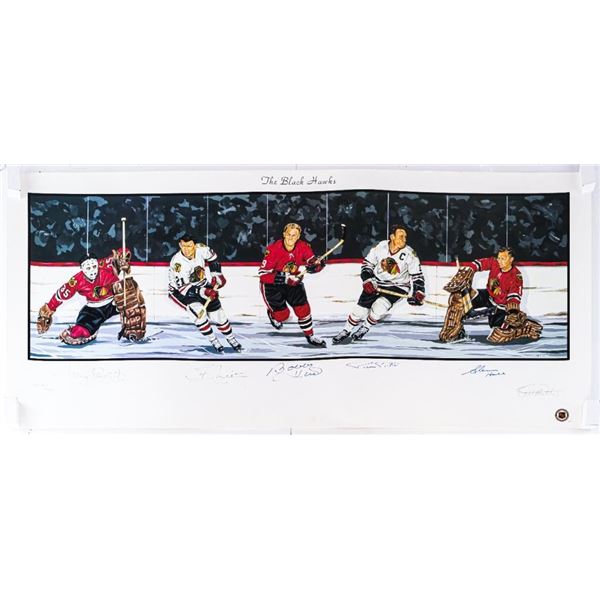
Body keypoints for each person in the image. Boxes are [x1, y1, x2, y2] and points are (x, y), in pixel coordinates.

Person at [332, 226, 425, 343]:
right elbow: (367, 265)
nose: (404, 240)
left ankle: (365, 327)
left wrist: (418, 292)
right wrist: (367, 280)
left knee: (379, 308)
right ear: (392, 237)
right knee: (360, 311)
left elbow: (417, 276)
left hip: (397, 287)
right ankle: (346, 330)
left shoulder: (410, 254)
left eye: (405, 237)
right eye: (401, 237)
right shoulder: (381, 246)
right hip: (376, 282)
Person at [36, 249, 146, 344]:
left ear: (98, 264)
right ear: (82, 269)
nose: (92, 270)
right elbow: (61, 295)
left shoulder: (105, 265)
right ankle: (88, 329)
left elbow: (123, 251)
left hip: (115, 303)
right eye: (88, 268)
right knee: (77, 333)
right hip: (94, 309)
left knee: (127, 287)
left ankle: (134, 329)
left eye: (94, 266)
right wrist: (47, 310)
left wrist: (122, 258)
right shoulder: (76, 280)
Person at [439, 247, 543, 343]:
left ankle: (523, 327)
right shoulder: (494, 262)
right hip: (488, 296)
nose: (499, 261)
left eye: (503, 258)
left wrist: (513, 311)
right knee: (458, 297)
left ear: (511, 259)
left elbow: (514, 296)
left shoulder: (516, 276)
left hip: (501, 308)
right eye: (499, 258)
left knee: (497, 336)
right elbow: (479, 263)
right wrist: (470, 269)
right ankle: (452, 331)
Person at [168, 233, 241, 353]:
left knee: (219, 315)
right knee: (199, 314)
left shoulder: (201, 249)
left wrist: (216, 274)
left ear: (195, 245)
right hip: (181, 292)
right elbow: (184, 289)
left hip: (202, 284)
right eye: (183, 246)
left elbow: (213, 258)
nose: (186, 249)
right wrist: (205, 291)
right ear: (180, 245)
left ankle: (231, 339)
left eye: (189, 246)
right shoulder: (178, 263)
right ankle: (214, 341)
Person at [258, 222, 326, 347]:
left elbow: (312, 261)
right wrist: (285, 278)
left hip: (294, 281)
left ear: (298, 236)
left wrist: (317, 265)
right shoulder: (273, 249)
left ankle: (310, 335)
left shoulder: (303, 246)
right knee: (283, 316)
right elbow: (263, 274)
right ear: (284, 234)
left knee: (303, 310)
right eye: (288, 234)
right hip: (272, 286)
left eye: (294, 235)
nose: (291, 238)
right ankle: (273, 314)